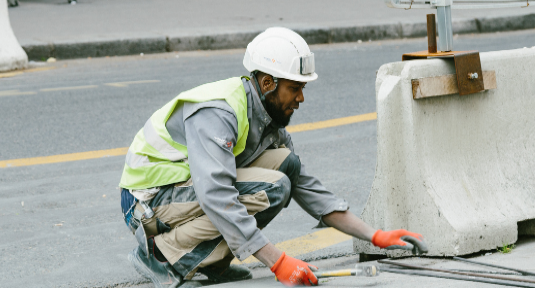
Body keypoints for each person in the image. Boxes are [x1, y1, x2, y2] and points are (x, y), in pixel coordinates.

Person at [118, 27, 427, 288]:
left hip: (180, 193)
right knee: (272, 187)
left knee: (285, 166)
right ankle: (162, 255)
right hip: (147, 203)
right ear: (267, 83)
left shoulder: (267, 117)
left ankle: (210, 263)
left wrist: (375, 234)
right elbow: (216, 196)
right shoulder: (219, 112)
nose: (301, 98)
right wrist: (277, 262)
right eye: (295, 88)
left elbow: (307, 186)